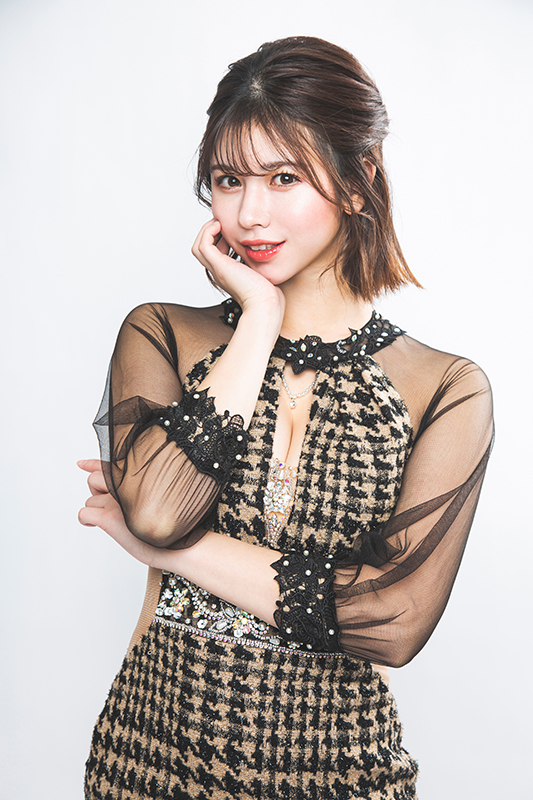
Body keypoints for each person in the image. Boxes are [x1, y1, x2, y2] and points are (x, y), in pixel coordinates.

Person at [78, 36, 494, 800]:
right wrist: (260, 317)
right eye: (227, 179)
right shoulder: (162, 333)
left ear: (357, 182)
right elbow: (163, 508)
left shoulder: (444, 388)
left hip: (340, 772)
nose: (248, 213)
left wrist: (173, 554)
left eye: (283, 177)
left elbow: (391, 619)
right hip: (149, 756)